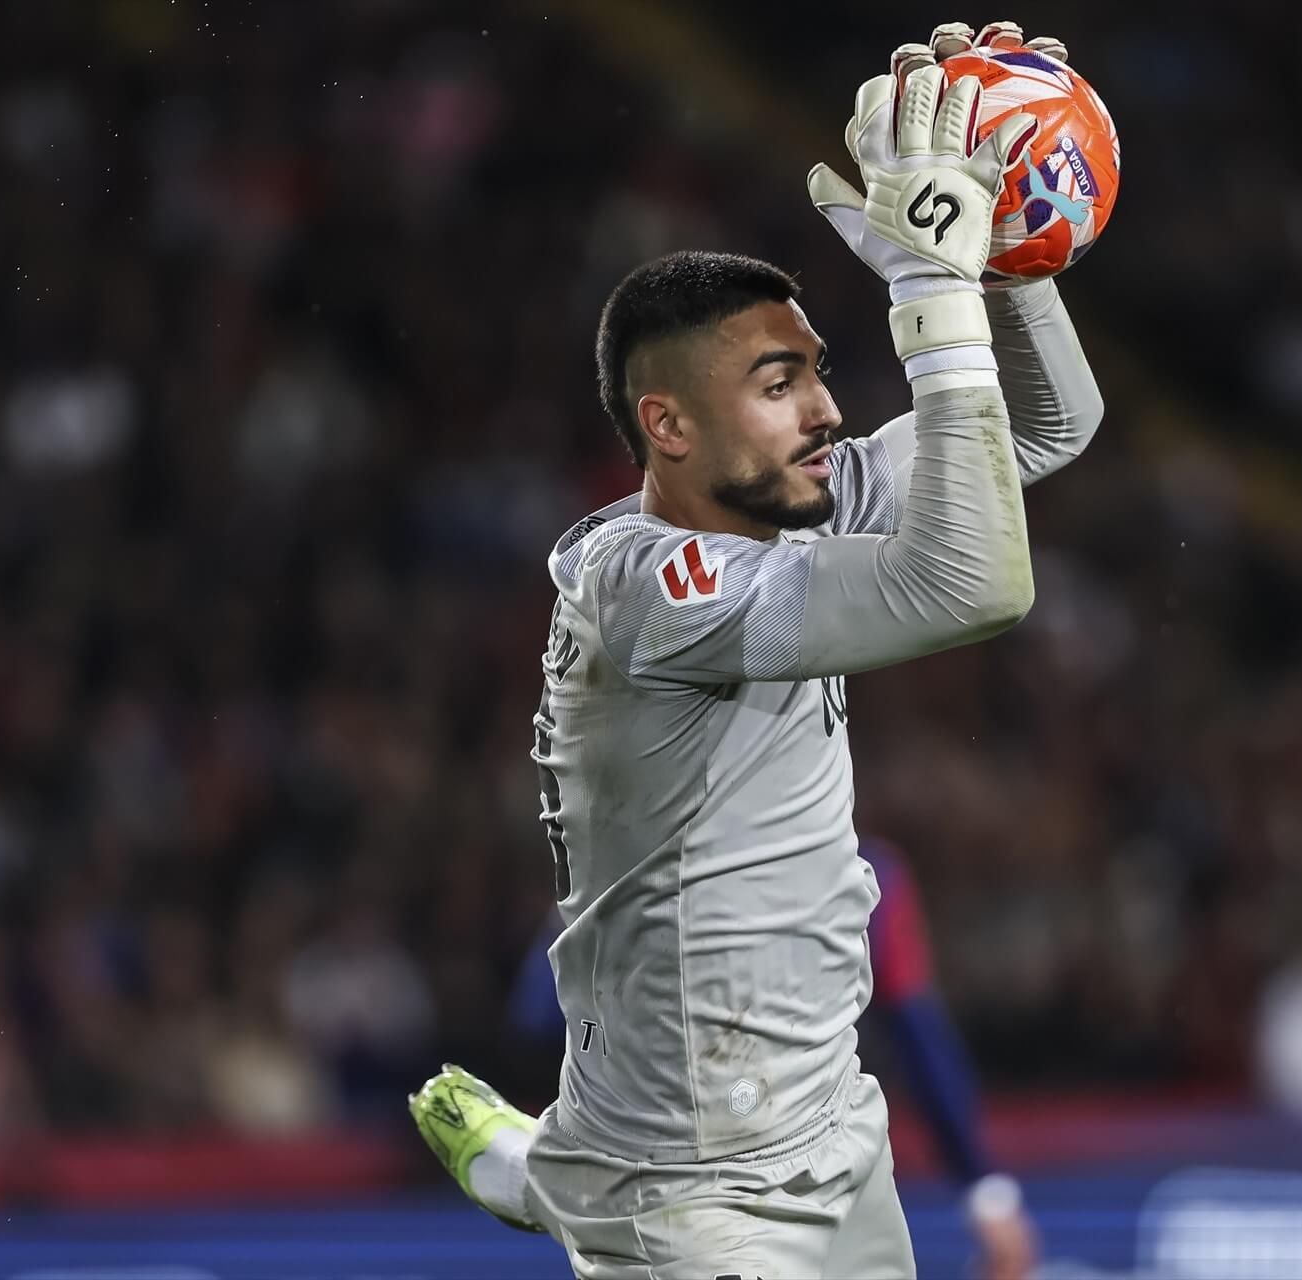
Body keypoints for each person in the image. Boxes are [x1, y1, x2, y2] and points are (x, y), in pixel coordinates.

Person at [410, 20, 1102, 1278]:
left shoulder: (794, 497)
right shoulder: (652, 594)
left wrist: (1007, 248)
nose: (830, 409)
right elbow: (977, 581)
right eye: (779, 382)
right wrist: (930, 296)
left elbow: (1050, 426)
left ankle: (538, 1170)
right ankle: (552, 1174)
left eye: (819, 374)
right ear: (666, 426)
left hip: (833, 1140)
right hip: (688, 1191)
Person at [502, 836, 1042, 1279]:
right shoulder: (857, 873)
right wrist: (984, 1193)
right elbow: (539, 1020)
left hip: (712, 1170)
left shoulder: (860, 877)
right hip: (737, 1175)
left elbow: (540, 1016)